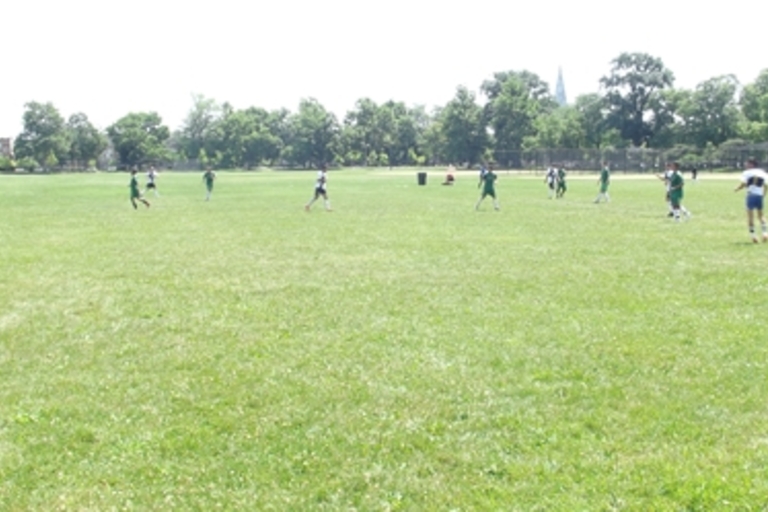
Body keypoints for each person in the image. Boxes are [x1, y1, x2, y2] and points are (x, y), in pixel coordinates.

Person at [734, 158, 768, 243]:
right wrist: (764, 194)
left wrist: (737, 189)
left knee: (750, 216)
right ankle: (765, 233)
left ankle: (753, 236)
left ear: (752, 164)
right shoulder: (762, 172)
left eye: (747, 164)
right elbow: (766, 185)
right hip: (759, 196)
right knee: (761, 215)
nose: (746, 165)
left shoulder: (746, 173)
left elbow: (744, 183)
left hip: (751, 195)